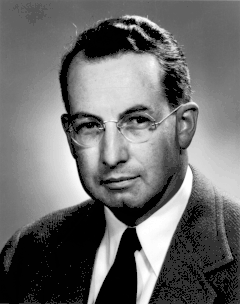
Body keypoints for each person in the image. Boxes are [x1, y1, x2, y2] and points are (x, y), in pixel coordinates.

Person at [1, 15, 240, 304]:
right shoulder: (26, 255)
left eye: (137, 121)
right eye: (89, 125)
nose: (111, 156)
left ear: (184, 126)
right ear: (69, 135)